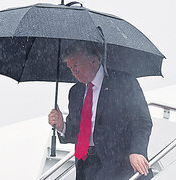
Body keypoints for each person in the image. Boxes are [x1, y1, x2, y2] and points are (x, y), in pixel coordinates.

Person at [48, 41, 153, 180]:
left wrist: (138, 151)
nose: (74, 71)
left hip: (118, 164)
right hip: (86, 167)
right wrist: (62, 126)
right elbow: (77, 133)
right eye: (70, 67)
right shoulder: (75, 92)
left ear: (93, 60)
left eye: (76, 65)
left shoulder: (123, 83)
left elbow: (142, 121)